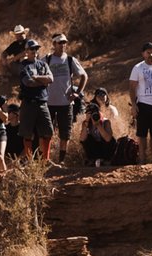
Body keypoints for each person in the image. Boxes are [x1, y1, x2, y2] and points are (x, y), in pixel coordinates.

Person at [45, 35, 88, 164]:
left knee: (65, 133)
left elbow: (84, 76)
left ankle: (61, 161)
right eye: (60, 43)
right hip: (49, 103)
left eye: (64, 42)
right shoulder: (47, 59)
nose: (63, 45)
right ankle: (46, 160)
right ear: (54, 44)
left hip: (66, 103)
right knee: (47, 133)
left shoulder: (70, 60)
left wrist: (77, 93)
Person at [17, 39, 54, 160]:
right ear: (26, 51)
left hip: (42, 102)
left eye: (36, 49)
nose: (34, 51)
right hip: (28, 103)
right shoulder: (23, 66)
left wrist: (37, 77)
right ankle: (29, 161)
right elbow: (28, 83)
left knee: (48, 132)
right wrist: (43, 82)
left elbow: (51, 78)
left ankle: (46, 160)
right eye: (32, 49)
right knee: (28, 134)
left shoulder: (43, 64)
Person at [80, 87, 118, 166]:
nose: (95, 116)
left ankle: (106, 160)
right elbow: (82, 139)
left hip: (106, 147)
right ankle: (93, 159)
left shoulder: (106, 121)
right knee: (87, 139)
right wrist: (87, 121)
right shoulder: (87, 122)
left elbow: (108, 139)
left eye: (103, 94)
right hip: (95, 147)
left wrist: (98, 125)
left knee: (110, 139)